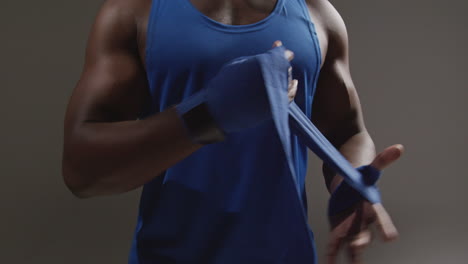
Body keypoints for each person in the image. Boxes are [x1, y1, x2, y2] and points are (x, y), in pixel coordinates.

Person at [62, 0, 404, 263]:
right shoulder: (135, 11)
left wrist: (349, 185)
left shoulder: (317, 14)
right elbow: (81, 169)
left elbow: (347, 131)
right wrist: (209, 115)